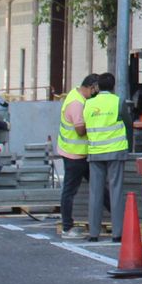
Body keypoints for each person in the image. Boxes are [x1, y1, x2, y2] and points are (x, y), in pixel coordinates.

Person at [83, 72, 129, 243]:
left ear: (98, 87)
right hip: (116, 151)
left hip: (95, 151)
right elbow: (127, 122)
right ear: (113, 86)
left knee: (95, 192)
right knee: (116, 191)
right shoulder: (118, 101)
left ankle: (93, 233)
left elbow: (86, 124)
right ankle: (117, 233)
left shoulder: (89, 104)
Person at [58, 74, 100, 239]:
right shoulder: (77, 103)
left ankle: (122, 220)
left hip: (79, 153)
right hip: (74, 154)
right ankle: (67, 227)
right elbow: (80, 130)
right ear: (91, 87)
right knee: (70, 191)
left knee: (99, 186)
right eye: (95, 90)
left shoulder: (76, 96)